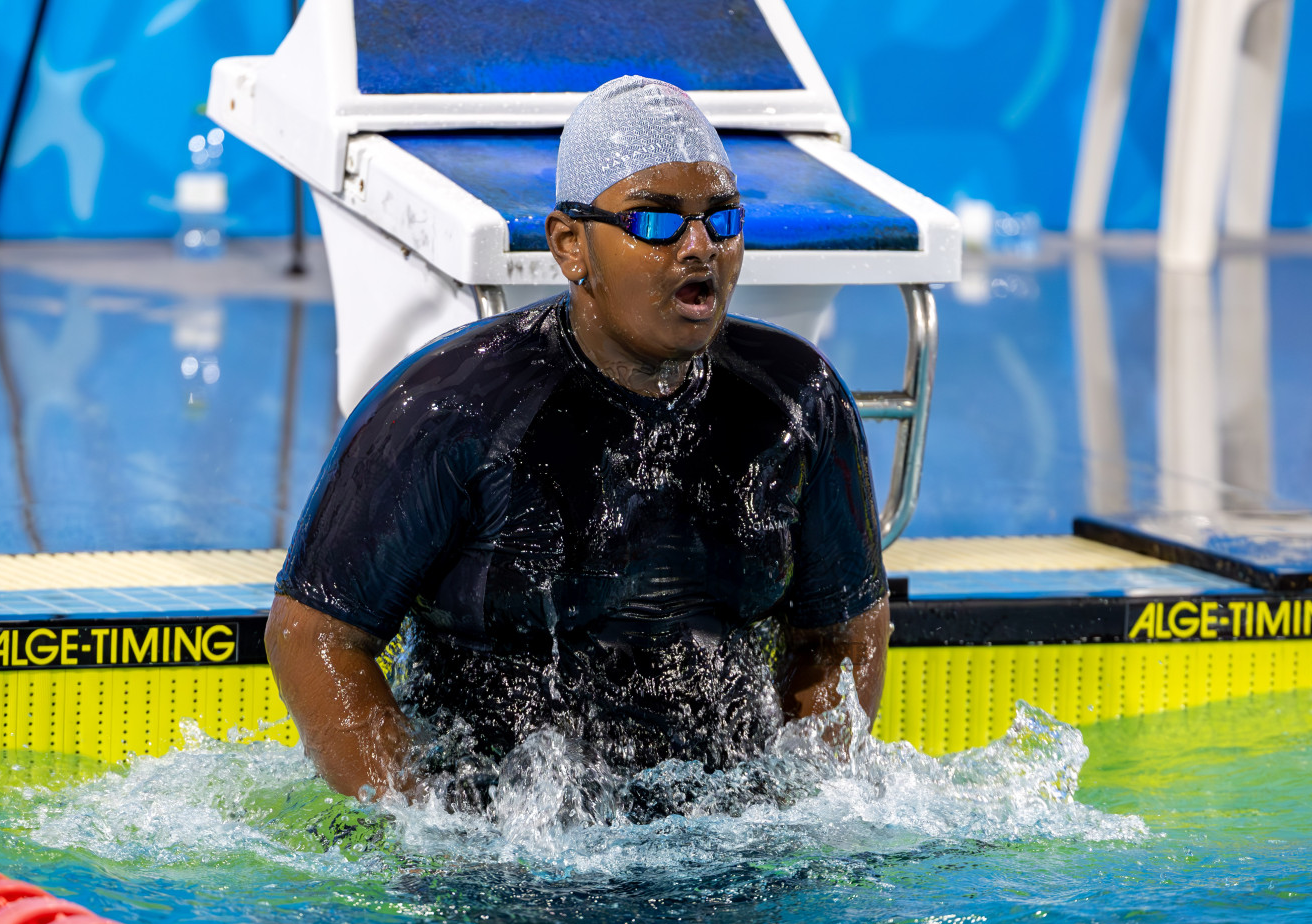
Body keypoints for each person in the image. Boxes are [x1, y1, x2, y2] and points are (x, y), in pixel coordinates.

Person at [265, 76, 889, 803]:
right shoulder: (449, 411)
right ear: (570, 245)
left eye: (723, 220)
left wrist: (796, 807)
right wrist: (423, 827)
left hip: (719, 839)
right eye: (656, 222)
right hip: (512, 843)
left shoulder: (797, 401)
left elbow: (844, 636)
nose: (699, 248)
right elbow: (313, 636)